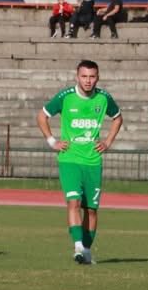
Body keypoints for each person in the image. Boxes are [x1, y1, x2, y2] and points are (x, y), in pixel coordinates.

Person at [36, 59, 122, 265]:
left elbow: (117, 118)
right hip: (69, 159)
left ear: (97, 78)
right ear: (77, 77)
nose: (88, 81)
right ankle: (78, 247)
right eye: (84, 76)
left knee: (91, 210)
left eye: (92, 77)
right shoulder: (65, 97)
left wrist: (108, 142)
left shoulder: (103, 98)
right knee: (73, 202)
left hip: (93, 161)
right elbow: (42, 116)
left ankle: (87, 251)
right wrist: (52, 141)